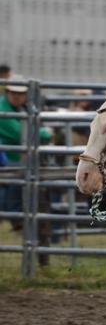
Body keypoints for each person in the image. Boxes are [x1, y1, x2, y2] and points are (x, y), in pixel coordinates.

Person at [0, 74, 52, 225]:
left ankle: (35, 219)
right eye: (13, 92)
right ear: (7, 92)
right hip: (9, 160)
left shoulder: (21, 108)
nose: (17, 96)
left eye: (21, 93)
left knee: (43, 173)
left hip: (15, 158)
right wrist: (45, 133)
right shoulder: (4, 110)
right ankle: (17, 217)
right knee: (21, 173)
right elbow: (20, 133)